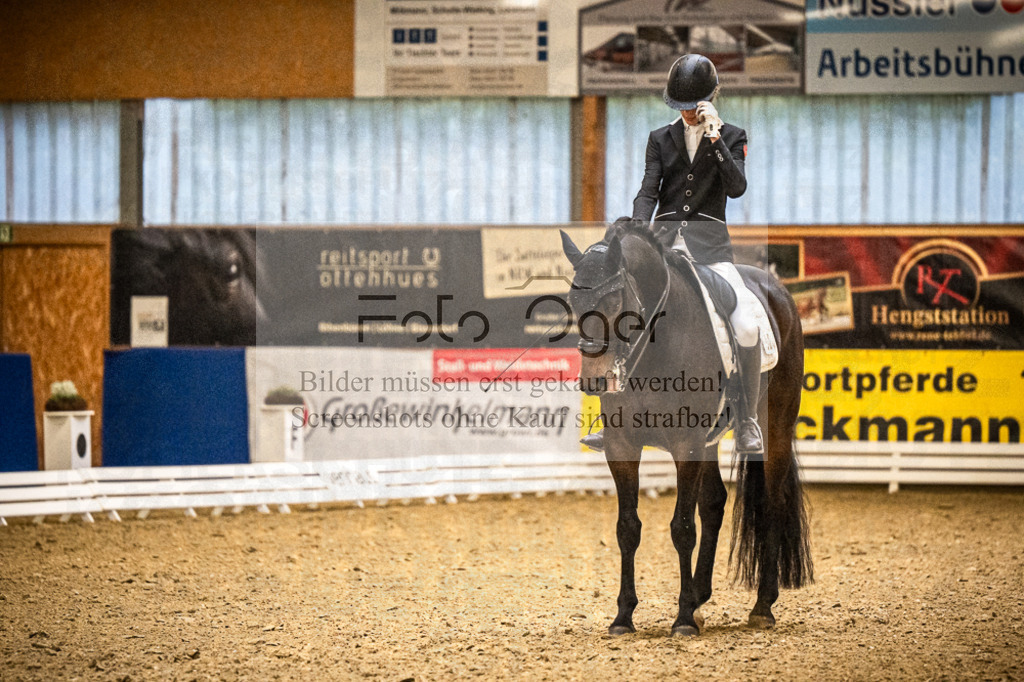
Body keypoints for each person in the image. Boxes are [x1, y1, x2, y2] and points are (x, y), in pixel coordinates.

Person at [582, 53, 764, 455]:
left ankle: (747, 419)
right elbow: (649, 188)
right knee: (620, 313)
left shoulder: (732, 136)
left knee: (747, 324)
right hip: (662, 246)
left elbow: (736, 187)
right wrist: (640, 228)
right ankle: (610, 417)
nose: (685, 116)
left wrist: (715, 138)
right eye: (678, 108)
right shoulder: (659, 139)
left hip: (711, 251)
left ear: (709, 100)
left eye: (691, 108)